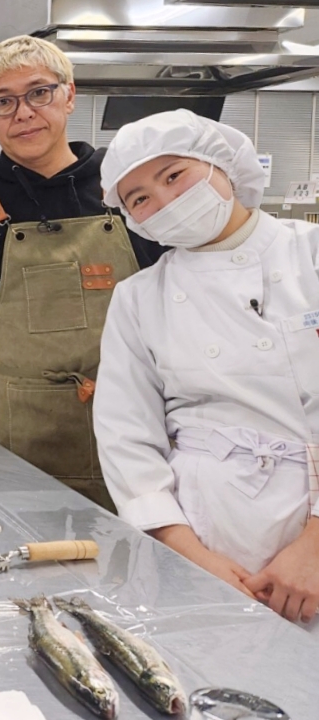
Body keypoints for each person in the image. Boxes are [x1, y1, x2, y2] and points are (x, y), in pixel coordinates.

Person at [0, 36, 166, 510]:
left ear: (69, 95)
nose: (24, 113)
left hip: (138, 428)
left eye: (39, 92)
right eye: (3, 102)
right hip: (19, 437)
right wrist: (19, 391)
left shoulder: (128, 188)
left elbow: (175, 299)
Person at [96, 109, 319, 629]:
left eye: (174, 175)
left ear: (224, 164)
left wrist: (314, 546)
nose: (165, 200)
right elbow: (126, 435)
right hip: (203, 531)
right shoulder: (138, 297)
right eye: (140, 198)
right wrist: (190, 555)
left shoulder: (310, 256)